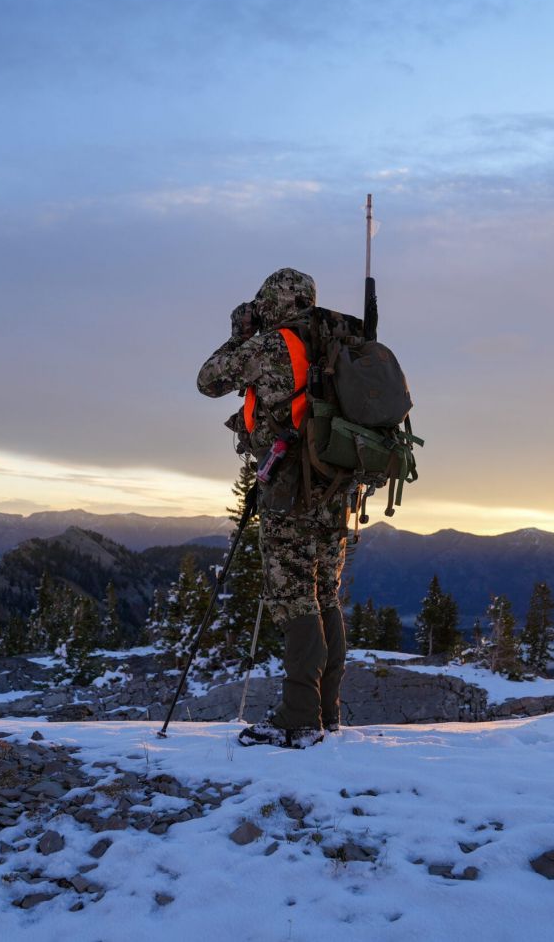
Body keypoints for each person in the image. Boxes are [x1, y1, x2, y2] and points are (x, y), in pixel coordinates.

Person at [197, 268, 354, 749]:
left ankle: (299, 718)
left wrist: (237, 336)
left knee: (293, 597)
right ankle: (326, 711)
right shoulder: (334, 340)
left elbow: (209, 381)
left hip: (291, 487)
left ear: (273, 302)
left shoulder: (271, 346)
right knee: (325, 590)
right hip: (336, 490)